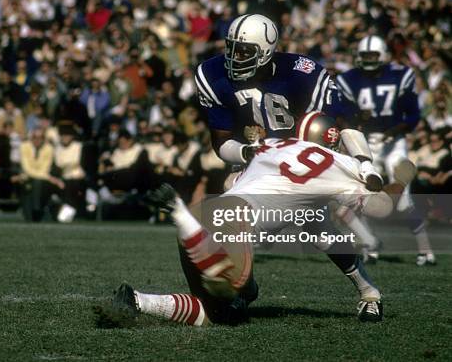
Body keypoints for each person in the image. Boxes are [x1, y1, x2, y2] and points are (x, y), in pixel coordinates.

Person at [96, 113, 414, 327]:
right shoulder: (337, 161)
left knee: (238, 297)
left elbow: (230, 184)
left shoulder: (273, 145)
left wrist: (368, 291)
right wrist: (400, 180)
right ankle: (137, 301)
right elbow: (380, 209)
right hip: (233, 229)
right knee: (227, 313)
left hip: (207, 216)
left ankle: (189, 232)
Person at [194, 14, 383, 192]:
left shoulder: (299, 72)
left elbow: (342, 119)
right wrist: (246, 152)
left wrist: (365, 165)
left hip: (302, 156)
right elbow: (221, 140)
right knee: (231, 185)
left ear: (264, 52)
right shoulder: (213, 74)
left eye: (243, 52)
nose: (234, 58)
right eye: (231, 48)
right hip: (257, 162)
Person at [336, 35, 434, 265]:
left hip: (394, 142)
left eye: (373, 56)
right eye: (365, 56)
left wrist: (396, 129)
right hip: (365, 142)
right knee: (360, 195)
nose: (369, 60)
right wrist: (359, 117)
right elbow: (345, 114)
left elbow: (413, 114)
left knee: (402, 201)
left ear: (383, 56)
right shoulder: (349, 79)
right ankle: (370, 246)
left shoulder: (401, 74)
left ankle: (426, 250)